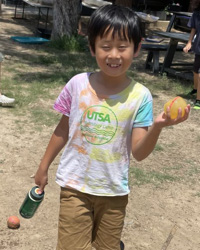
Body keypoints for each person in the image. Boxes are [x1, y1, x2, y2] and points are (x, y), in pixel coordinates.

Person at [34, 5, 190, 250]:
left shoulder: (141, 96)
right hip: (75, 185)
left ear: (137, 48)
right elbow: (63, 129)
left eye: (122, 46)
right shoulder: (77, 85)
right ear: (92, 47)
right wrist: (43, 168)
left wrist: (158, 126)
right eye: (105, 46)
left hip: (114, 192)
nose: (114, 55)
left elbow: (138, 152)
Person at [183, 2, 200, 109]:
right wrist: (189, 42)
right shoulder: (197, 13)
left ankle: (198, 100)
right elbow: (193, 29)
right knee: (195, 71)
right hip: (198, 47)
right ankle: (195, 89)